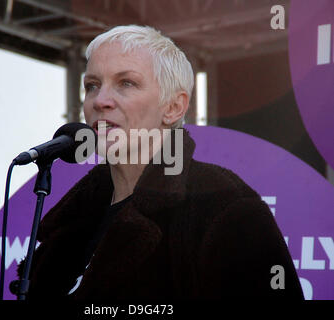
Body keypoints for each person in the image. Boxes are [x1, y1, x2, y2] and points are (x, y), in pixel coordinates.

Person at [17, 25, 304, 300]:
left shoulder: (225, 206)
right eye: (92, 85)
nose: (100, 100)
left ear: (174, 107)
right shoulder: (75, 216)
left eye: (126, 83)